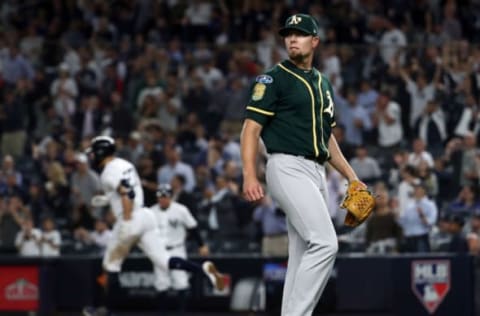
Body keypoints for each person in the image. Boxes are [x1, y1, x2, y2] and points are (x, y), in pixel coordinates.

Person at [240, 14, 366, 316]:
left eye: (300, 33)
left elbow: (327, 138)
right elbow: (250, 129)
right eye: (288, 34)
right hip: (286, 166)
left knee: (301, 253)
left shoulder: (323, 83)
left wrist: (351, 176)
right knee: (325, 244)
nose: (292, 39)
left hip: (316, 171)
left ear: (315, 41)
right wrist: (249, 175)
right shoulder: (272, 78)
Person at [82, 136, 224, 316]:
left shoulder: (107, 172)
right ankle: (203, 270)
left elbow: (125, 192)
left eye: (94, 152)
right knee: (164, 260)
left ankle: (102, 309)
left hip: (130, 218)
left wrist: (125, 218)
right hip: (146, 216)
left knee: (109, 267)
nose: (92, 156)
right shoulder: (124, 164)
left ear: (101, 152)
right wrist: (108, 198)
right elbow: (129, 187)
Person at [150, 183, 210, 314]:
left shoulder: (180, 209)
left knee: (180, 282)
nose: (162, 199)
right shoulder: (151, 211)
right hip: (159, 251)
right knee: (161, 284)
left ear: (171, 196)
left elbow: (193, 227)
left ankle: (181, 313)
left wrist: (201, 245)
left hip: (176, 249)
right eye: (159, 196)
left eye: (165, 196)